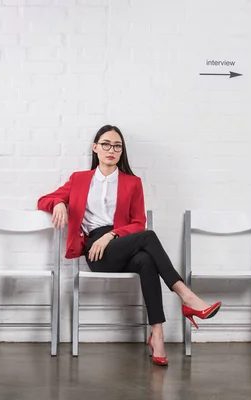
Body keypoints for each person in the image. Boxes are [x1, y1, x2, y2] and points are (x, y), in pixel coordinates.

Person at [38, 125, 221, 366]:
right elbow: (44, 200)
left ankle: (157, 335)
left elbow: (138, 223)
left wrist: (111, 235)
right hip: (97, 252)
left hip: (120, 243)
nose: (111, 150)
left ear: (122, 151)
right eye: (105, 144)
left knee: (146, 260)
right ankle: (186, 296)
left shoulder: (132, 183)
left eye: (117, 146)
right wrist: (60, 203)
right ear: (95, 148)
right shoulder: (79, 179)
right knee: (149, 237)